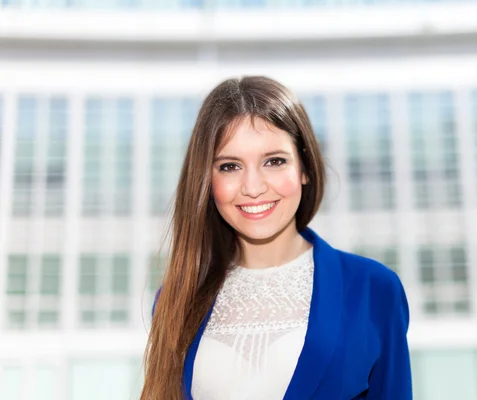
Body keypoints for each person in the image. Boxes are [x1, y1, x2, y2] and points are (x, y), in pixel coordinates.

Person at [141, 76, 412, 399]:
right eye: (229, 166)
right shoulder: (176, 299)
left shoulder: (373, 289)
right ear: (206, 180)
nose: (253, 187)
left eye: (274, 161)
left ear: (305, 167)